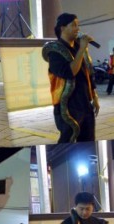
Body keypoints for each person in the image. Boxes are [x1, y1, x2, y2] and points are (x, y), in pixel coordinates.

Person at [43, 13, 100, 143]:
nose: (78, 29)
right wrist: (82, 49)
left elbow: (89, 73)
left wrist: (94, 96)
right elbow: (70, 72)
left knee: (88, 142)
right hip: (67, 107)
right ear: (62, 28)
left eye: (78, 25)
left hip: (85, 104)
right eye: (74, 25)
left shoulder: (79, 48)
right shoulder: (55, 52)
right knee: (67, 141)